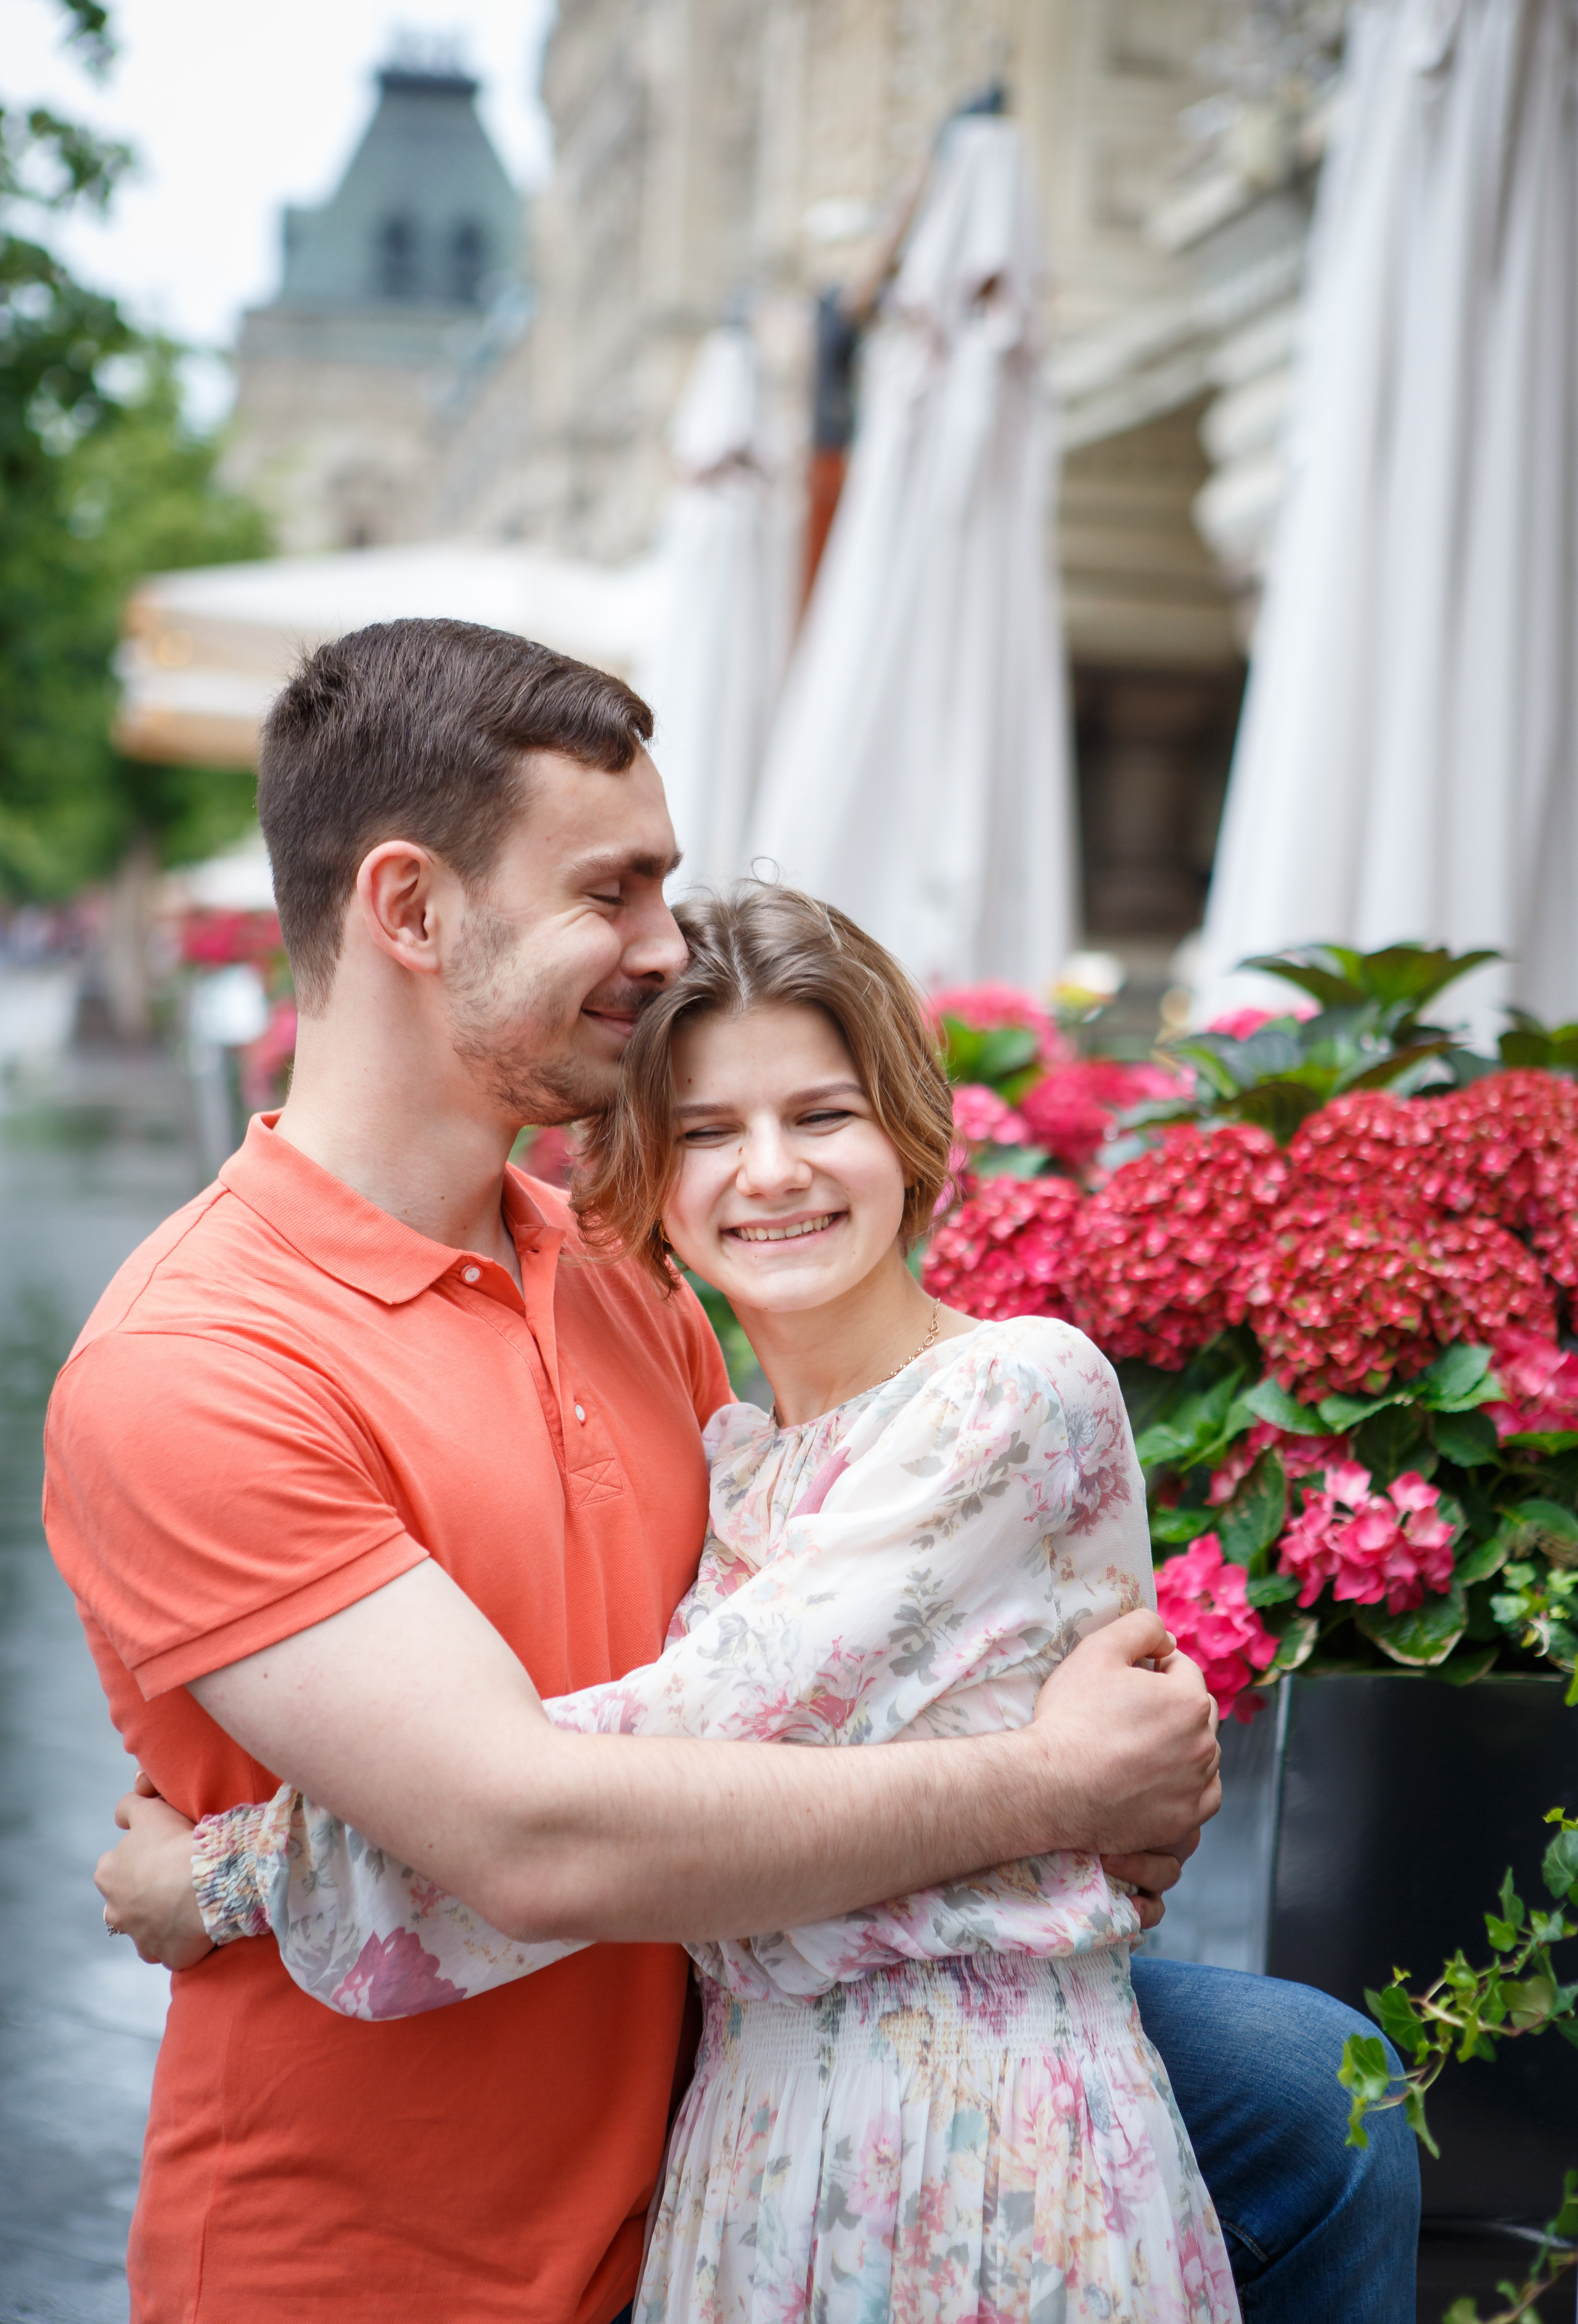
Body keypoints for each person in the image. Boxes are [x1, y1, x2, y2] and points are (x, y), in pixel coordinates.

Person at [65, 619, 1416, 2323]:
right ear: (409, 910)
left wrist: (1086, 1758)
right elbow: (528, 1839)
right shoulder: (198, 1362)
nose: (662, 942)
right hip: (393, 2265)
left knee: (1307, 2093)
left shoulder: (634, 1286)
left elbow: (809, 1685)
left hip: (719, 2176)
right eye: (612, 891)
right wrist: (1063, 1790)